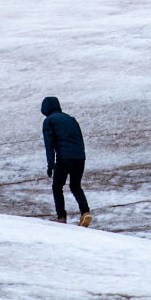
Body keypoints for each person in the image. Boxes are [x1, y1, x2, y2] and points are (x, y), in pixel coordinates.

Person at [41, 96, 91, 226]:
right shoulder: (71, 119)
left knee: (57, 186)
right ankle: (85, 212)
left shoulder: (49, 121)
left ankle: (61, 217)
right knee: (75, 186)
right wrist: (81, 155)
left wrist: (51, 164)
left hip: (64, 158)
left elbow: (49, 145)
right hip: (80, 157)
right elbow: (80, 139)